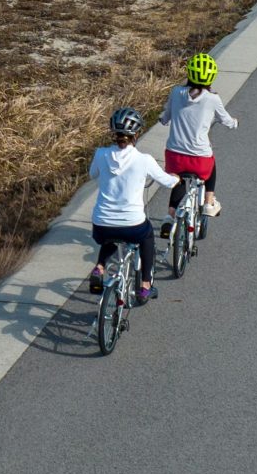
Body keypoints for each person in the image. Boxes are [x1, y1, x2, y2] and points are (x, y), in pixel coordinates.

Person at [90, 105, 177, 303]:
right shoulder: (144, 160)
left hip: (101, 224)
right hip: (132, 225)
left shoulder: (100, 154)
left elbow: (92, 174)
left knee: (111, 236)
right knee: (147, 237)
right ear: (136, 134)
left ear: (113, 133)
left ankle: (100, 267)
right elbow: (167, 181)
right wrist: (176, 179)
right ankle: (145, 286)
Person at [163, 52, 236, 219]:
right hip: (200, 160)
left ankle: (171, 215)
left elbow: (165, 117)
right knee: (212, 163)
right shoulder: (212, 99)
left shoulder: (176, 93)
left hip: (175, 157)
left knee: (178, 180)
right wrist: (235, 123)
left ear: (189, 73)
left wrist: (163, 119)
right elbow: (226, 120)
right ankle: (209, 202)